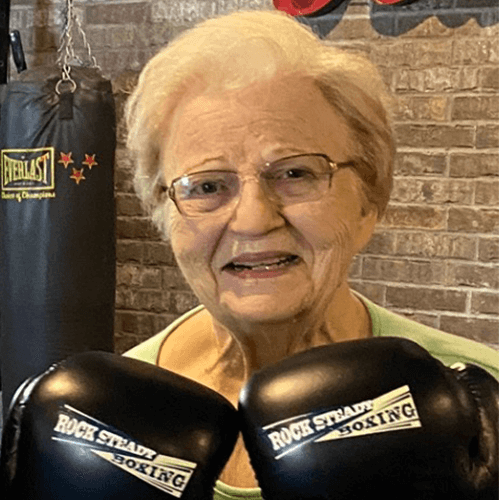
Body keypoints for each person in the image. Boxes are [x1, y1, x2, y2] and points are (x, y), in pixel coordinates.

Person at [122, 10, 499, 499]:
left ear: (370, 198)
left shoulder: (475, 395)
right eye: (208, 186)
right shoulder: (110, 422)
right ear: (164, 214)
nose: (254, 219)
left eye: (296, 174)